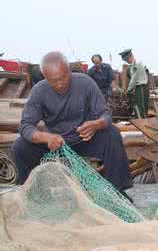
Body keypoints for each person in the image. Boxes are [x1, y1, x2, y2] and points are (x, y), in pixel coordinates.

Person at [12, 51, 132, 198]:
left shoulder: (85, 83)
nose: (60, 84)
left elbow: (105, 114)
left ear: (69, 69)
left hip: (84, 139)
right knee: (20, 147)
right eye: (53, 81)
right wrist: (46, 138)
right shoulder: (39, 91)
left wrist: (97, 124)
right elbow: (25, 126)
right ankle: (32, 195)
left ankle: (118, 192)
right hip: (55, 143)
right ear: (45, 77)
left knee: (112, 134)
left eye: (63, 78)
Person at [118, 49, 149, 118]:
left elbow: (134, 79)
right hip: (137, 88)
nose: (127, 61)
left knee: (142, 107)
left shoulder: (137, 64)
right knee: (137, 105)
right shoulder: (131, 66)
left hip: (142, 87)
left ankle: (143, 121)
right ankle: (140, 120)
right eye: (125, 60)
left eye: (127, 59)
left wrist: (128, 89)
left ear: (131, 55)